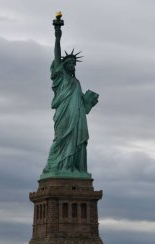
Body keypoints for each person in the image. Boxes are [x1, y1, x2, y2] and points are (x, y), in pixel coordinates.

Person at [41, 15, 99, 179]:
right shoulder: (60, 77)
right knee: (61, 139)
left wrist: (89, 102)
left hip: (78, 116)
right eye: (70, 62)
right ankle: (55, 166)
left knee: (76, 139)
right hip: (64, 113)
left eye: (74, 63)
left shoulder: (76, 82)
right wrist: (57, 35)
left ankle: (73, 168)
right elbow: (56, 55)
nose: (73, 64)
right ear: (63, 65)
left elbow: (82, 104)